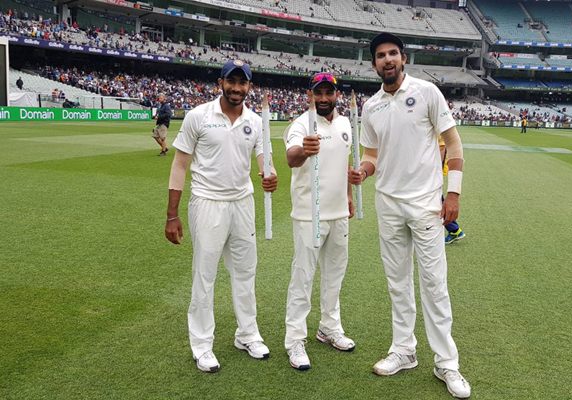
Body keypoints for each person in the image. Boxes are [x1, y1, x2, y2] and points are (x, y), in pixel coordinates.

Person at [348, 33, 471, 399]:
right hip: (388, 203)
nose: (387, 60)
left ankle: (446, 362)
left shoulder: (428, 92)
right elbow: (372, 156)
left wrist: (454, 193)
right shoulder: (371, 107)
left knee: (434, 283)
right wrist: (363, 172)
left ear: (404, 59)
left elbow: (454, 143)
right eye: (381, 56)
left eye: (393, 54)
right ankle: (404, 350)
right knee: (397, 282)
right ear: (373, 64)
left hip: (426, 204)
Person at [164, 60, 278, 373]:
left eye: (243, 83)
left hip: (242, 203)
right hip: (207, 203)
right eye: (232, 82)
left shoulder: (256, 121)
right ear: (221, 83)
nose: (237, 88)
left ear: (249, 87)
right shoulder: (198, 116)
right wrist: (172, 214)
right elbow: (179, 165)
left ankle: (247, 334)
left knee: (245, 273)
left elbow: (264, 161)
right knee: (205, 276)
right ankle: (202, 345)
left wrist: (270, 176)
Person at [283, 72, 356, 371]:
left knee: (334, 276)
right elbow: (290, 158)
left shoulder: (345, 122)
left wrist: (349, 196)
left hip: (339, 212)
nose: (324, 98)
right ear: (310, 95)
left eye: (329, 93)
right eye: (318, 93)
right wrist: (304, 150)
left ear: (336, 94)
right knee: (303, 277)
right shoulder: (301, 124)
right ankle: (294, 340)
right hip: (308, 213)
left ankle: (328, 327)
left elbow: (346, 161)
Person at [439, 134, 465, 245]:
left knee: (437, 201)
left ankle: (454, 230)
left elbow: (442, 147)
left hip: (429, 172)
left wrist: (436, 170)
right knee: (437, 199)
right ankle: (454, 229)